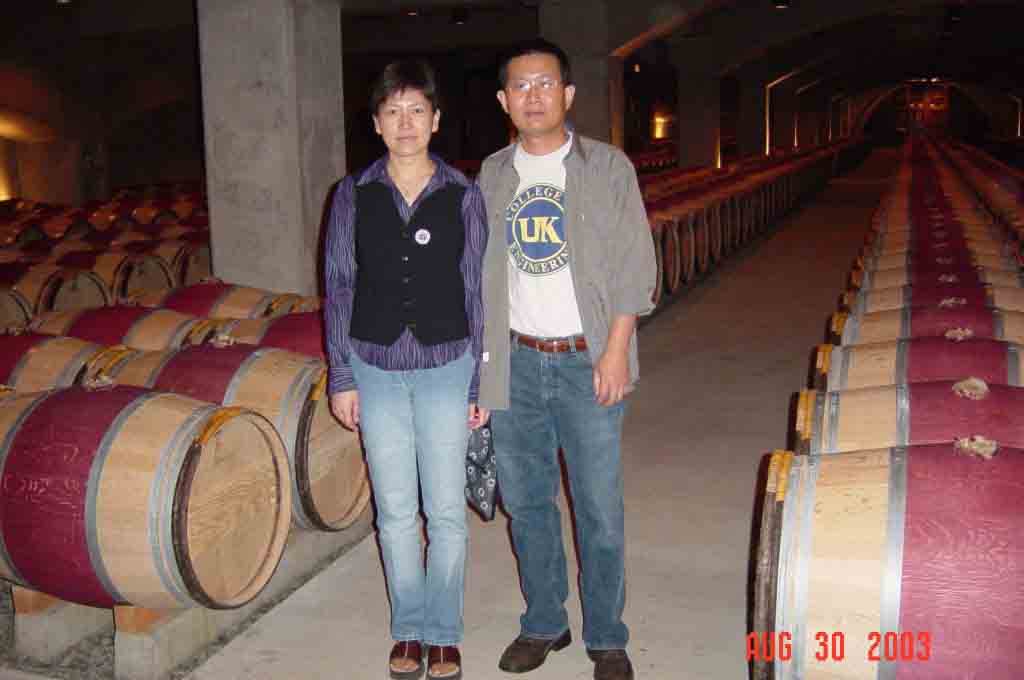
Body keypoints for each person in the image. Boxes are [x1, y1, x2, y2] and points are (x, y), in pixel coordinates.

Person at [476, 39, 656, 680]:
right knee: (528, 503)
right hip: (515, 363)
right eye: (520, 86)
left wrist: (616, 350)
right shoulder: (492, 174)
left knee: (598, 509)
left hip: (587, 360)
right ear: (504, 100)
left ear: (568, 94)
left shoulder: (607, 168)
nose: (534, 96)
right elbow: (477, 276)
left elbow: (636, 265)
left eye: (545, 84)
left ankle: (606, 635)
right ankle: (544, 622)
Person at [324, 59, 488, 680]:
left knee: (444, 511)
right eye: (392, 111)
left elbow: (477, 289)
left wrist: (481, 380)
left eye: (417, 110)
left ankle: (443, 632)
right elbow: (339, 285)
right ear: (376, 123)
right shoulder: (352, 194)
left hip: (447, 363)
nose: (405, 122)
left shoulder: (463, 194)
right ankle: (408, 630)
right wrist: (341, 374)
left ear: (436, 120)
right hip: (376, 366)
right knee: (394, 512)